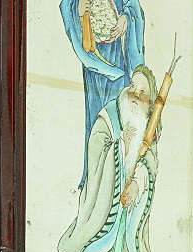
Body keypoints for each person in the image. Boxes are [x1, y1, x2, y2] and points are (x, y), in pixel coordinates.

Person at [53, 65, 159, 252]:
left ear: (150, 97)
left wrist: (138, 180)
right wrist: (120, 145)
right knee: (103, 249)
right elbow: (96, 146)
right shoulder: (111, 115)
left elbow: (150, 160)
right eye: (133, 87)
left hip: (131, 206)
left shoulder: (150, 124)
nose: (135, 93)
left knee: (127, 251)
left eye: (142, 91)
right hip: (109, 200)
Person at [61, 0, 146, 190]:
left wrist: (126, 17)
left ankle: (123, 177)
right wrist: (77, 8)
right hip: (94, 55)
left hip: (119, 54)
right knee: (97, 117)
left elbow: (133, 6)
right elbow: (67, 4)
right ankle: (95, 181)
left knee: (122, 113)